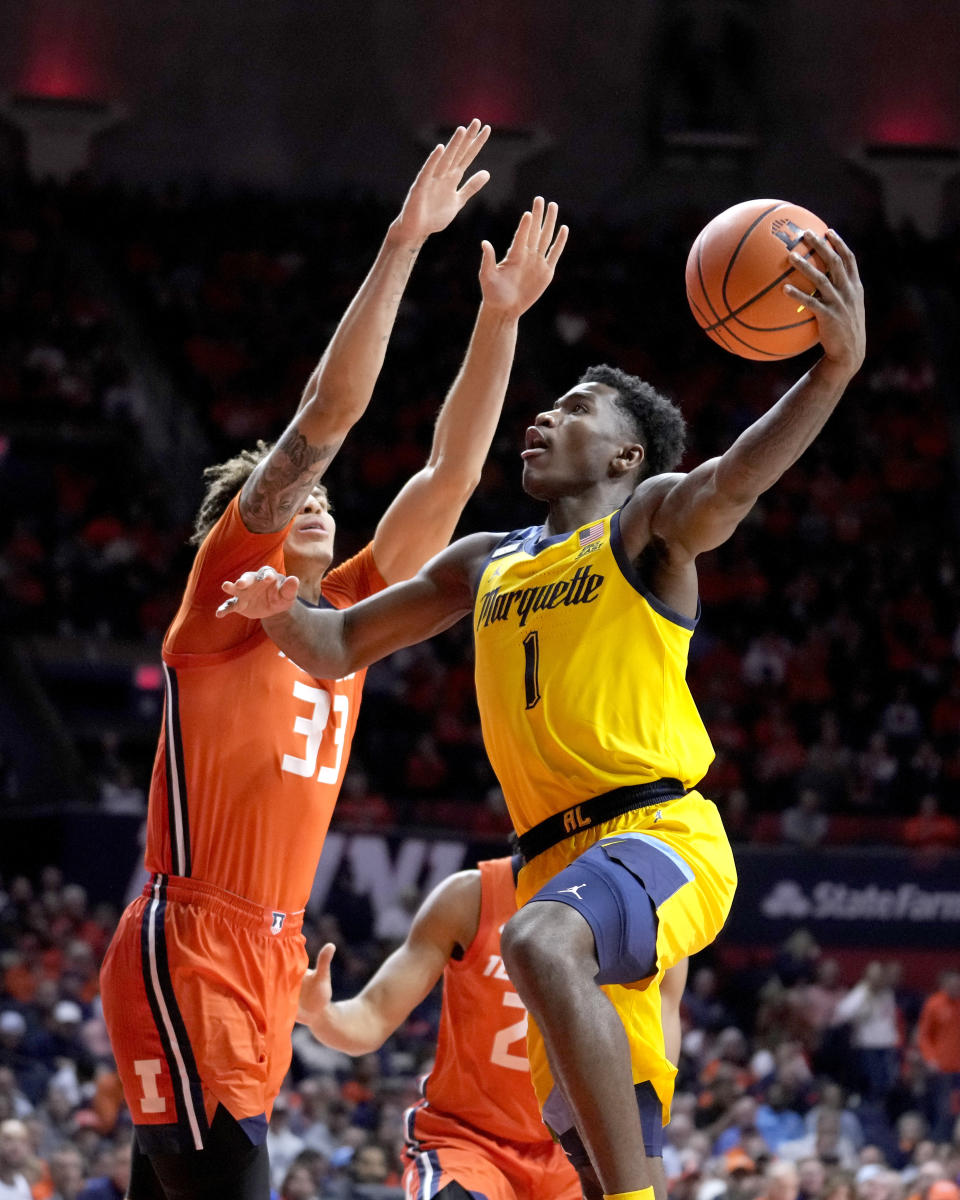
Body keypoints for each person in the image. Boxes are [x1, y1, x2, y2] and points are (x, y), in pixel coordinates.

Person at [219, 225, 866, 1200]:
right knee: (596, 1157)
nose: (543, 418)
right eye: (548, 405)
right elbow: (342, 645)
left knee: (535, 944)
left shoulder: (645, 526)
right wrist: (283, 608)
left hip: (660, 833)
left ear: (624, 455)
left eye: (574, 409)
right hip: (554, 863)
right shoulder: (487, 559)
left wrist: (829, 374)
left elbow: (734, 480)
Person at [100, 120, 569, 1200]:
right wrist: (404, 242)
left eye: (323, 498)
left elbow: (449, 477)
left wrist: (498, 320)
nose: (314, 496)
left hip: (270, 952)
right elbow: (328, 416)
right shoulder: (222, 609)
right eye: (286, 496)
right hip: (193, 937)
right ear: (241, 528)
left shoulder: (348, 614)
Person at [297, 853, 688, 1200]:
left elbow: (653, 1080)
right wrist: (322, 1015)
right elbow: (370, 1017)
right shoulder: (472, 897)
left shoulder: (650, 918)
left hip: (581, 1149)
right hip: (469, 1142)